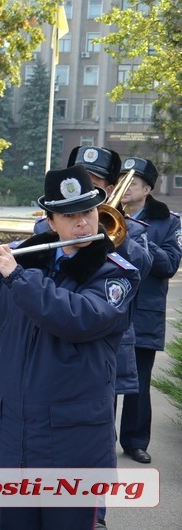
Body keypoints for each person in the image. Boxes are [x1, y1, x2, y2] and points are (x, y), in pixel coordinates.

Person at [0, 164, 140, 530]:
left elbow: (80, 317)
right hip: (15, 435)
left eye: (88, 211)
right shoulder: (28, 259)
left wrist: (17, 276)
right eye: (70, 214)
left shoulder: (115, 272)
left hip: (73, 442)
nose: (83, 222)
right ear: (50, 221)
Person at [38, 147, 153, 530]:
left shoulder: (130, 229)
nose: (87, 186)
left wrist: (112, 232)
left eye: (97, 182)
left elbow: (146, 267)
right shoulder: (49, 225)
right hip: (54, 339)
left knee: (99, 428)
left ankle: (94, 513)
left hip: (106, 340)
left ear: (107, 188)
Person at [117, 156, 182, 465]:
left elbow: (169, 265)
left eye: (131, 182)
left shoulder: (169, 221)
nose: (124, 187)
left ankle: (135, 441)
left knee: (139, 381)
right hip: (110, 307)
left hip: (145, 311)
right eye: (121, 182)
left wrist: (136, 233)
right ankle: (102, 439)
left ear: (147, 188)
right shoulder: (104, 214)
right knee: (104, 379)